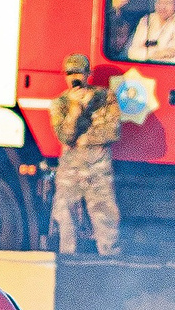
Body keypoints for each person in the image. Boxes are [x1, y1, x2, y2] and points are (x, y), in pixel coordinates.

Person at [48, 53, 122, 255]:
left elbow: (113, 131)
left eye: (79, 72)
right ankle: (67, 263)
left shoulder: (105, 97)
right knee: (65, 218)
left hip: (98, 168)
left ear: (88, 74)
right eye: (70, 73)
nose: (74, 78)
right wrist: (75, 110)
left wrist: (84, 140)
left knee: (106, 218)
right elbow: (65, 137)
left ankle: (110, 263)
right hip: (70, 170)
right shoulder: (60, 103)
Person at [124, 0, 175, 64]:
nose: (162, 7)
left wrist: (147, 54)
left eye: (167, 3)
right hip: (143, 68)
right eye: (159, 2)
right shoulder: (146, 20)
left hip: (167, 70)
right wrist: (158, 54)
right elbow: (132, 53)